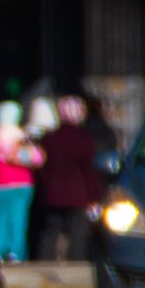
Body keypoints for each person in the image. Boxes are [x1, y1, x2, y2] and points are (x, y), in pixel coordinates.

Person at [35, 96, 101, 261]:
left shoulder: (49, 139)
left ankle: (45, 263)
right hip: (78, 195)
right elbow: (88, 170)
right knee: (77, 234)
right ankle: (77, 265)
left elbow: (42, 167)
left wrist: (44, 189)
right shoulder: (84, 139)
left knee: (50, 233)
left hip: (52, 194)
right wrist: (94, 196)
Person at [0, 100, 44, 262]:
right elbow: (38, 158)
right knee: (18, 220)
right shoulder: (23, 135)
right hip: (23, 182)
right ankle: (16, 253)